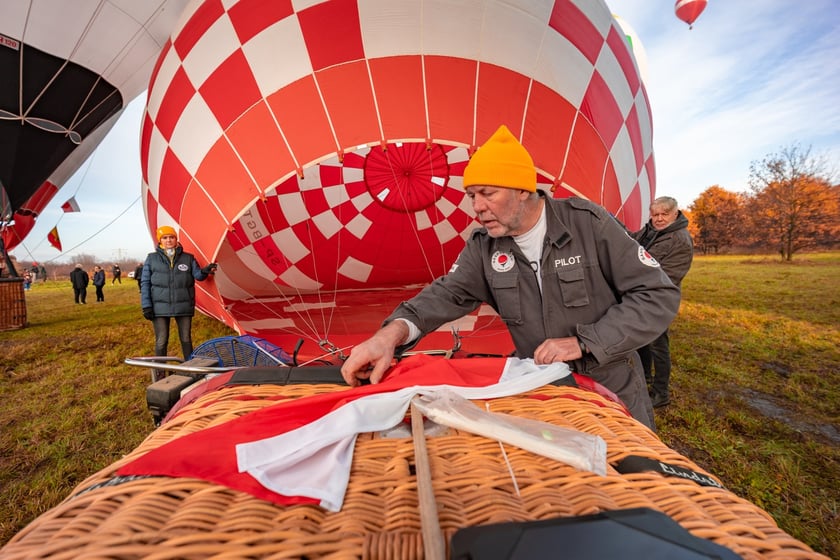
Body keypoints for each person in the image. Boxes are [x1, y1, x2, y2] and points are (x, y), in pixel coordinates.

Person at [340, 124, 681, 430]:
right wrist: (390, 335)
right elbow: (444, 295)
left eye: (488, 193)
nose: (477, 207)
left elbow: (656, 294)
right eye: (472, 196)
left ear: (522, 190)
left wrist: (585, 342)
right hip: (545, 391)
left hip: (612, 388)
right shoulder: (485, 248)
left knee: (632, 481)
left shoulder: (588, 224)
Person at [632, 196, 694, 408]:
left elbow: (668, 275)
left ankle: (661, 393)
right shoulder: (650, 230)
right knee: (642, 339)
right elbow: (632, 241)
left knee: (658, 344)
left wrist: (632, 280)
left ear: (675, 213)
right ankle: (646, 378)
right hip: (641, 293)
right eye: (655, 214)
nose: (658, 219)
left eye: (663, 214)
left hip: (659, 297)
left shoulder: (680, 240)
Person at [141, 226, 217, 380]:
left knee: (186, 339)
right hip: (158, 307)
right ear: (160, 240)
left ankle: (191, 370)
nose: (168, 240)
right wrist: (146, 305)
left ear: (176, 239)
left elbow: (198, 276)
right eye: (165, 238)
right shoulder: (151, 258)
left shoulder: (188, 258)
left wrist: (205, 270)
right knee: (162, 340)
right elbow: (145, 283)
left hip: (183, 305)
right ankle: (160, 373)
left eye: (171, 237)